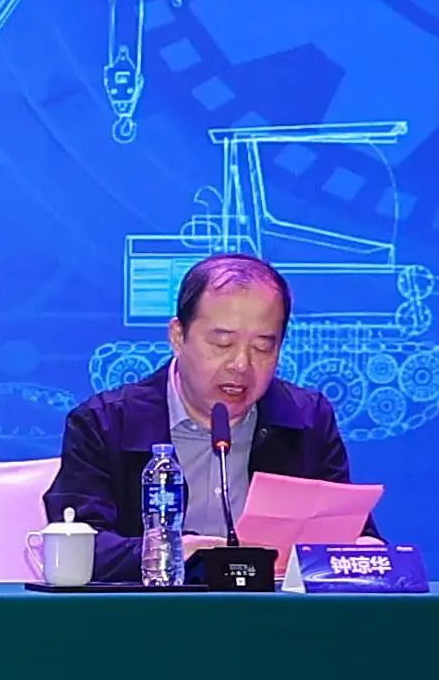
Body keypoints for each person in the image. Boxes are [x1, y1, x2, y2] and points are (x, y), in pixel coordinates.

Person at [52, 249, 350, 580]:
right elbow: (78, 545)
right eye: (222, 343)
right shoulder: (105, 423)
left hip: (271, 610)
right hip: (146, 610)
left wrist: (362, 549)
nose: (241, 365)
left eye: (263, 347)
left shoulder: (308, 419)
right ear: (178, 337)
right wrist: (169, 551)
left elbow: (347, 533)